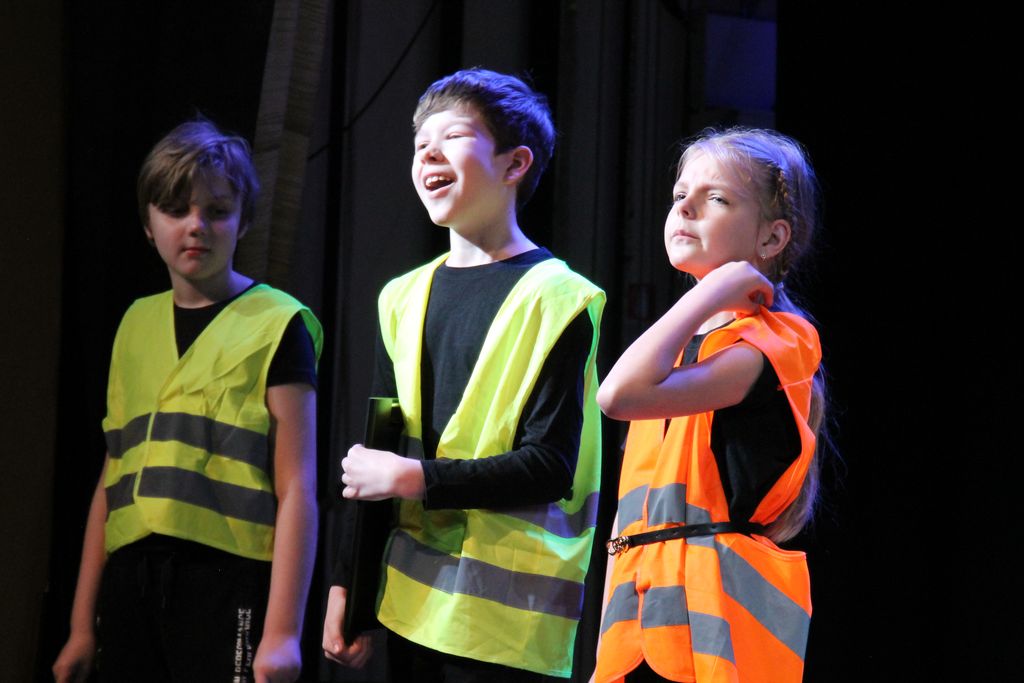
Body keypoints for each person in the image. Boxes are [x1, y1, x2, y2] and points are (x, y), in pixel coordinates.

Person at [322, 68, 605, 681]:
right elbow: (378, 455)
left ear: (515, 164)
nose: (428, 152)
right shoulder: (402, 296)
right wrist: (348, 585)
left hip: (505, 628)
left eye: (452, 136)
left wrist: (416, 478)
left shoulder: (558, 298)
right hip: (410, 608)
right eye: (419, 143)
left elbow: (549, 465)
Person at [52, 119, 323, 683]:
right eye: (176, 210)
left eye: (217, 210)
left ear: (243, 220)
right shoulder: (136, 322)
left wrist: (282, 632)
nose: (196, 225)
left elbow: (298, 486)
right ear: (149, 226)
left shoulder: (277, 323)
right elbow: (112, 477)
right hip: (131, 581)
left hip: (226, 578)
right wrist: (81, 625)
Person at [593, 128, 829, 683]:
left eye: (716, 198)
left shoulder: (774, 342)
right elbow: (629, 522)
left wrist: (710, 293)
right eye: (680, 195)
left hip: (716, 625)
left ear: (771, 238)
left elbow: (616, 395)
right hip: (641, 628)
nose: (685, 208)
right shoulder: (676, 354)